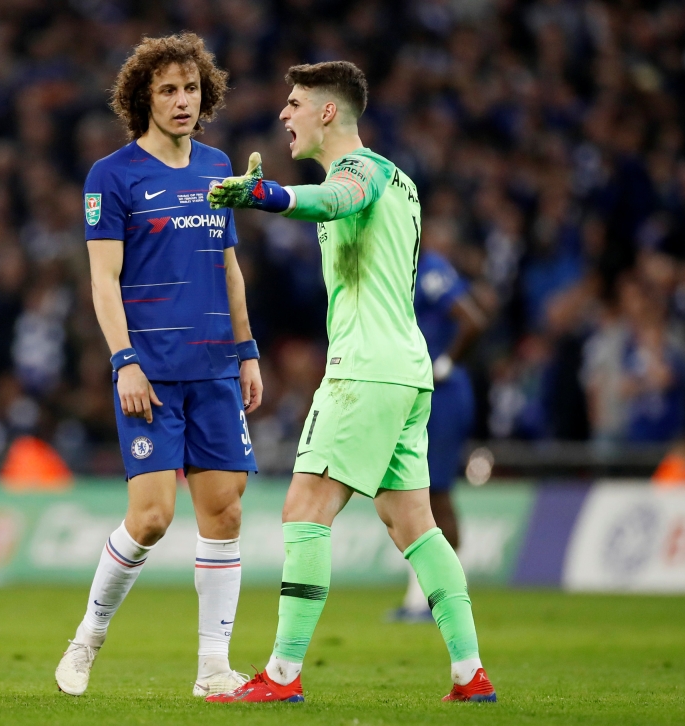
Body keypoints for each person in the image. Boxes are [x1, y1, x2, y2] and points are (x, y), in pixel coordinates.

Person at [206, 61, 495, 704]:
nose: (284, 114)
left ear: (327, 112)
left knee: (304, 510)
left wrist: (267, 196)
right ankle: (469, 672)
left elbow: (335, 200)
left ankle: (281, 675)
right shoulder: (408, 186)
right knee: (415, 524)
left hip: (364, 370)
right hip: (407, 371)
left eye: (294, 103)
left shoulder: (360, 171)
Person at [54, 33, 263, 699]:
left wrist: (247, 350)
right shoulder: (112, 176)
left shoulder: (218, 167)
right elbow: (103, 282)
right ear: (143, 96)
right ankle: (88, 636)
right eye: (168, 89)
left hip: (215, 370)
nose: (181, 100)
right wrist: (124, 362)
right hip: (149, 372)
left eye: (191, 88)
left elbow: (229, 267)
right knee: (150, 517)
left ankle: (213, 669)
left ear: (206, 95)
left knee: (224, 513)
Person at [393, 218, 487, 622]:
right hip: (420, 391)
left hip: (443, 394)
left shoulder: (429, 268)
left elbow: (473, 319)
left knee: (435, 491)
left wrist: (443, 364)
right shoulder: (404, 268)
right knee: (419, 491)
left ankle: (441, 598)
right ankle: (425, 596)